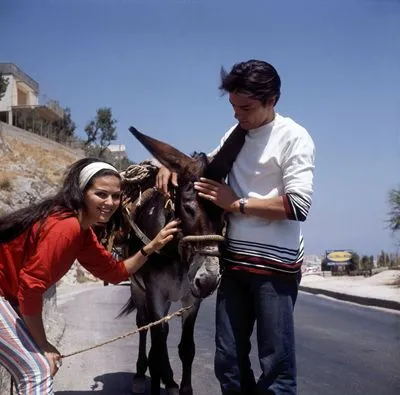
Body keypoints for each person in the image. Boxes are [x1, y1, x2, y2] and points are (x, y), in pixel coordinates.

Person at [156, 60, 315, 394]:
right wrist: (171, 169)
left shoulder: (294, 138)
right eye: (232, 106)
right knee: (228, 362)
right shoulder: (236, 134)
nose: (237, 115)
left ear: (272, 100)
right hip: (234, 264)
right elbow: (202, 169)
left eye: (245, 107)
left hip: (276, 270)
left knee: (275, 367)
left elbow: (298, 205)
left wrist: (237, 204)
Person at [0, 157, 181, 395]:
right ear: (81, 192)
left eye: (116, 196)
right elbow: (31, 288)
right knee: (37, 370)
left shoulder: (82, 233)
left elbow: (115, 273)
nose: (110, 202)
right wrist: (43, 344)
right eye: (101, 194)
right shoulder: (66, 228)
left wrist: (151, 246)